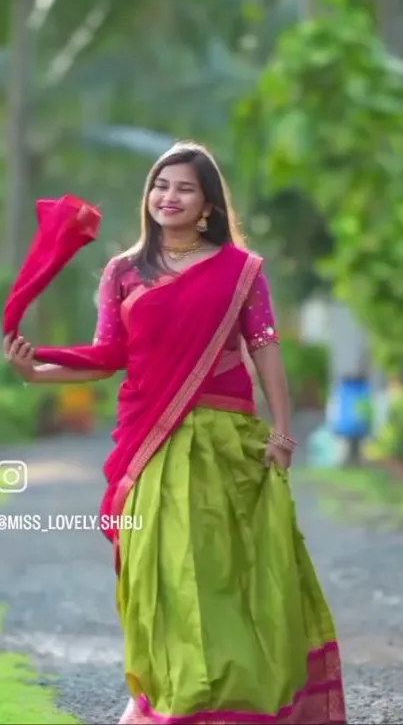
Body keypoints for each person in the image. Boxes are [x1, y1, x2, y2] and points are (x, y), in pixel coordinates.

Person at [4, 142, 346, 725]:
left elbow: (265, 351)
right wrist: (38, 371)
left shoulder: (241, 271)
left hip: (224, 443)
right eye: (161, 186)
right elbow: (111, 355)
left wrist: (283, 434)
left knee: (227, 576)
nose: (169, 197)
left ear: (207, 202)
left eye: (184, 188)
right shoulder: (124, 271)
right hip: (151, 447)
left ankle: (237, 699)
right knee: (157, 575)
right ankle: (167, 697)